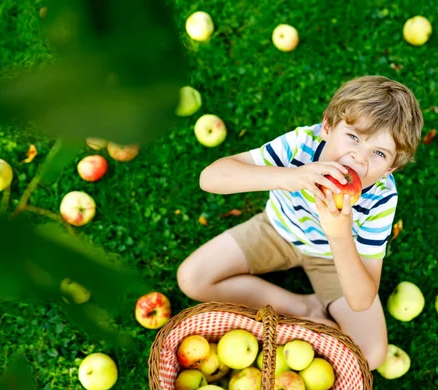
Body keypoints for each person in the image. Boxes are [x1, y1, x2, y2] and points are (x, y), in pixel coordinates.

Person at [177, 75, 423, 370]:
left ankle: (313, 307)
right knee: (192, 278)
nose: (358, 158)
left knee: (369, 355)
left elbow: (361, 299)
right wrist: (290, 176)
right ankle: (302, 307)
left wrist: (340, 236)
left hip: (335, 259)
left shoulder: (381, 197)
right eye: (353, 137)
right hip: (276, 231)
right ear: (327, 127)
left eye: (379, 153)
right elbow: (211, 178)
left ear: (391, 167)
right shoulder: (301, 145)